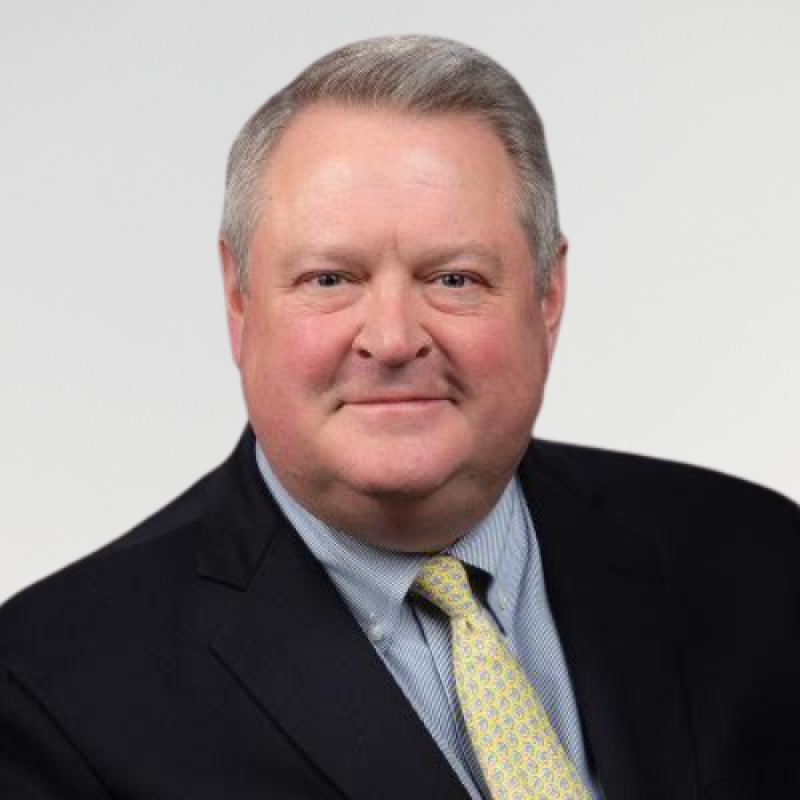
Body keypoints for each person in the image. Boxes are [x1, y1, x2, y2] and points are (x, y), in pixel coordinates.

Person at [1, 35, 798, 800]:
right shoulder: (52, 689)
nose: (391, 339)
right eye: (329, 279)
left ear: (548, 296)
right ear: (238, 301)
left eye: (454, 279)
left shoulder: (757, 557)